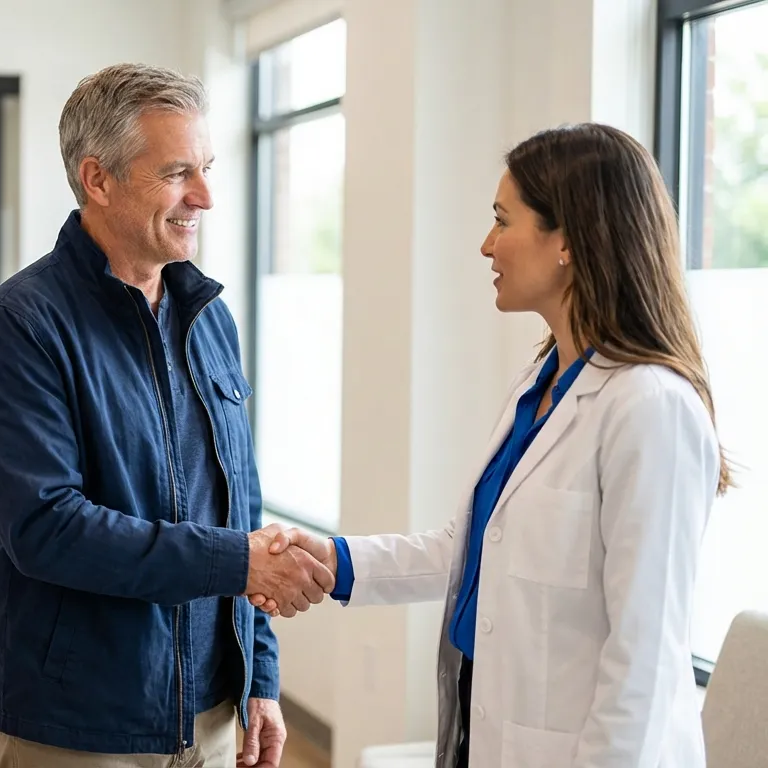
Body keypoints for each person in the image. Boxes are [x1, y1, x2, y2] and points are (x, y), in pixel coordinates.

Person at [254, 123, 729, 767]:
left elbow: (642, 657)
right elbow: (474, 548)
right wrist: (336, 560)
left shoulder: (650, 407)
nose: (486, 244)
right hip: (486, 727)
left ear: (567, 239)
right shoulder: (541, 385)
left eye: (503, 220)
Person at [0, 63, 333, 768]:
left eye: (207, 168)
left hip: (216, 712)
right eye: (177, 172)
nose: (206, 196)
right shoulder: (21, 325)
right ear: (98, 180)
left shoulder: (209, 319)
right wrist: (239, 559)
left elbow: (238, 506)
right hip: (80, 726)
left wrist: (261, 677)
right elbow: (47, 529)